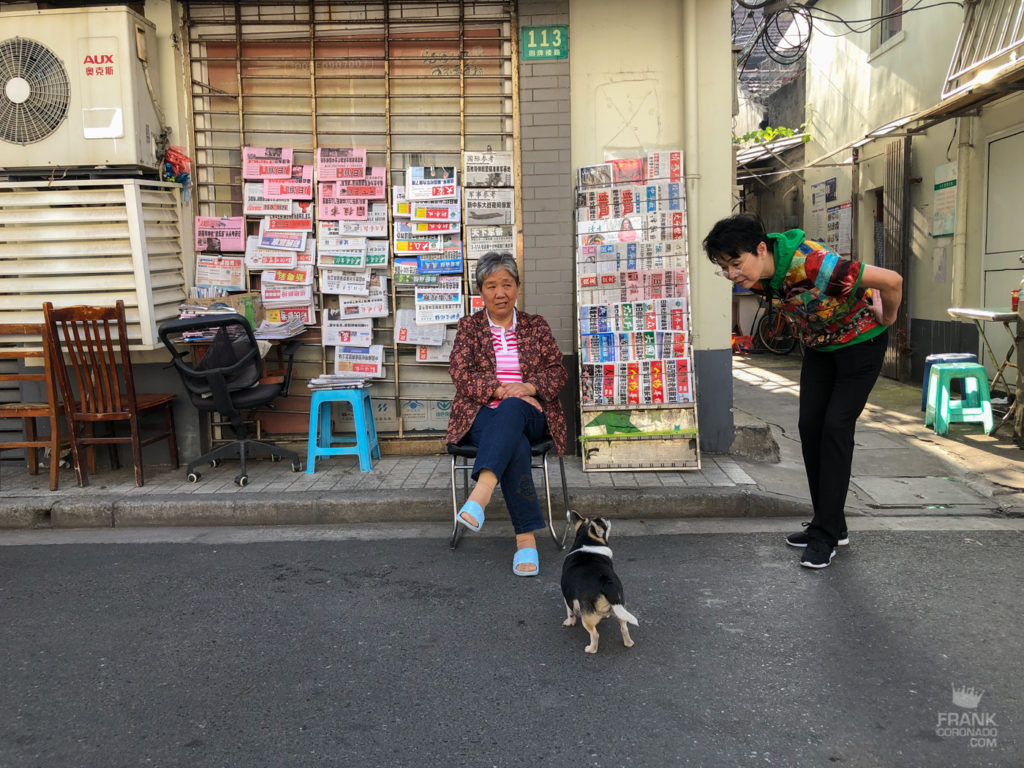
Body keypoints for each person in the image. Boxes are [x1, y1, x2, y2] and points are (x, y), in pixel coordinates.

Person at [703, 213, 903, 569]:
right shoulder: (761, 278)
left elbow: (892, 280)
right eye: (724, 268)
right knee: (810, 428)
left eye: (737, 263)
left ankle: (825, 537)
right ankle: (830, 524)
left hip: (861, 344)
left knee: (835, 429)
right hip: (821, 348)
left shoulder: (813, 264)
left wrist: (887, 318)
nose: (733, 274)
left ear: (761, 249)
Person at [446, 251, 568, 577]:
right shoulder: (469, 327)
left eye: (507, 284)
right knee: (513, 443)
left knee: (514, 410)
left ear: (517, 287)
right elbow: (460, 371)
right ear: (480, 291)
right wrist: (500, 390)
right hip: (481, 412)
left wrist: (527, 388)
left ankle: (480, 495)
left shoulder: (535, 326)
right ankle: (526, 539)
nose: (500, 293)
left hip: (532, 413)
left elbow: (557, 371)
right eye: (491, 286)